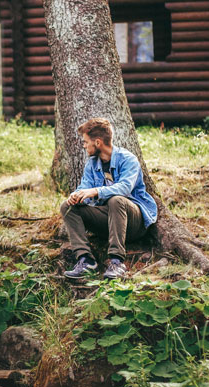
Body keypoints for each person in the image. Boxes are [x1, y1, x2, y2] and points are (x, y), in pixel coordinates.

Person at [60, 118, 158, 279]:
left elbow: (125, 188)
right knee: (67, 207)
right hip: (108, 221)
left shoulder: (128, 159)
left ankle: (117, 261)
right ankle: (86, 261)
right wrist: (76, 196)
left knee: (116, 200)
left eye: (85, 142)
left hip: (134, 222)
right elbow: (85, 187)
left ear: (97, 142)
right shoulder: (92, 163)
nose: (84, 146)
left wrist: (95, 191)